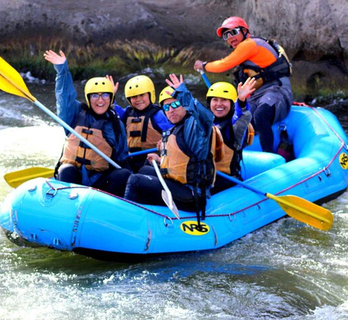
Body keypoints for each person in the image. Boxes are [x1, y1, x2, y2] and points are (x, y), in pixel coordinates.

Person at [124, 74, 222, 218]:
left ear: (184, 105)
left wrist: (184, 95)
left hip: (192, 194)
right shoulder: (174, 129)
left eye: (176, 104)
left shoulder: (193, 127)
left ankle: (126, 217)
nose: (171, 109)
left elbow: (205, 118)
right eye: (167, 106)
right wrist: (159, 160)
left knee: (135, 181)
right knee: (144, 169)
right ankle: (148, 212)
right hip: (176, 184)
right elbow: (179, 162)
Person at [194, 16, 293, 154]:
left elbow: (225, 64)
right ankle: (227, 154)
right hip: (257, 94)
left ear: (244, 31)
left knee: (260, 115)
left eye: (233, 32)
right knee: (237, 119)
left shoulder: (249, 44)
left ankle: (269, 156)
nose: (230, 38)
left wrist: (204, 65)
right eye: (226, 35)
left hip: (276, 89)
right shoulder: (246, 50)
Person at [44, 50, 131, 197]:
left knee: (124, 174)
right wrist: (62, 70)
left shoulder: (116, 124)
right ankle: (65, 207)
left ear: (110, 98)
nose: (100, 100)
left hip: (100, 180)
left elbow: (122, 156)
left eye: (105, 95)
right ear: (88, 98)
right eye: (95, 95)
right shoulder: (75, 114)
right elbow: (65, 96)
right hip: (74, 176)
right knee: (66, 170)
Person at [207, 79, 256, 194]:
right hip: (206, 176)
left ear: (231, 104)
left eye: (224, 100)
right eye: (215, 100)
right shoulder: (206, 121)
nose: (219, 104)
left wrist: (241, 101)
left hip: (225, 179)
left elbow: (242, 115)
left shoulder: (234, 125)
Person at [115, 75, 173, 172]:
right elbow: (113, 112)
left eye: (142, 95)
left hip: (152, 159)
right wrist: (111, 97)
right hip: (131, 159)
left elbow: (172, 132)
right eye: (134, 97)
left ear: (150, 95)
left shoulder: (159, 115)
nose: (138, 99)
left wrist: (165, 142)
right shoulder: (127, 113)